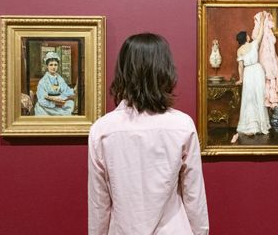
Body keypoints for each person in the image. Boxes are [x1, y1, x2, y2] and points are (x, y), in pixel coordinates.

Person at [88, 33, 209, 234]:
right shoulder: (182, 125)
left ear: (123, 72)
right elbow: (194, 197)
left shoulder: (102, 130)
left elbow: (99, 205)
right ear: (165, 70)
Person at [231, 14, 271, 143]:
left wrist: (241, 79)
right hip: (257, 70)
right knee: (258, 96)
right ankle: (259, 125)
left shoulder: (239, 51)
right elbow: (260, 34)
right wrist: (263, 20)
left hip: (248, 71)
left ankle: (252, 125)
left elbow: (240, 67)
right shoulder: (253, 44)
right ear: (246, 38)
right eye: (248, 35)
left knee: (249, 98)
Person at [34, 51, 75, 116]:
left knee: (70, 103)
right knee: (41, 108)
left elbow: (67, 91)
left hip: (59, 101)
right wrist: (54, 103)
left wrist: (61, 98)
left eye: (55, 65)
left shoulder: (60, 79)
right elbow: (41, 99)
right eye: (51, 65)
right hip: (48, 105)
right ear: (47, 66)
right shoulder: (42, 81)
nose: (53, 67)